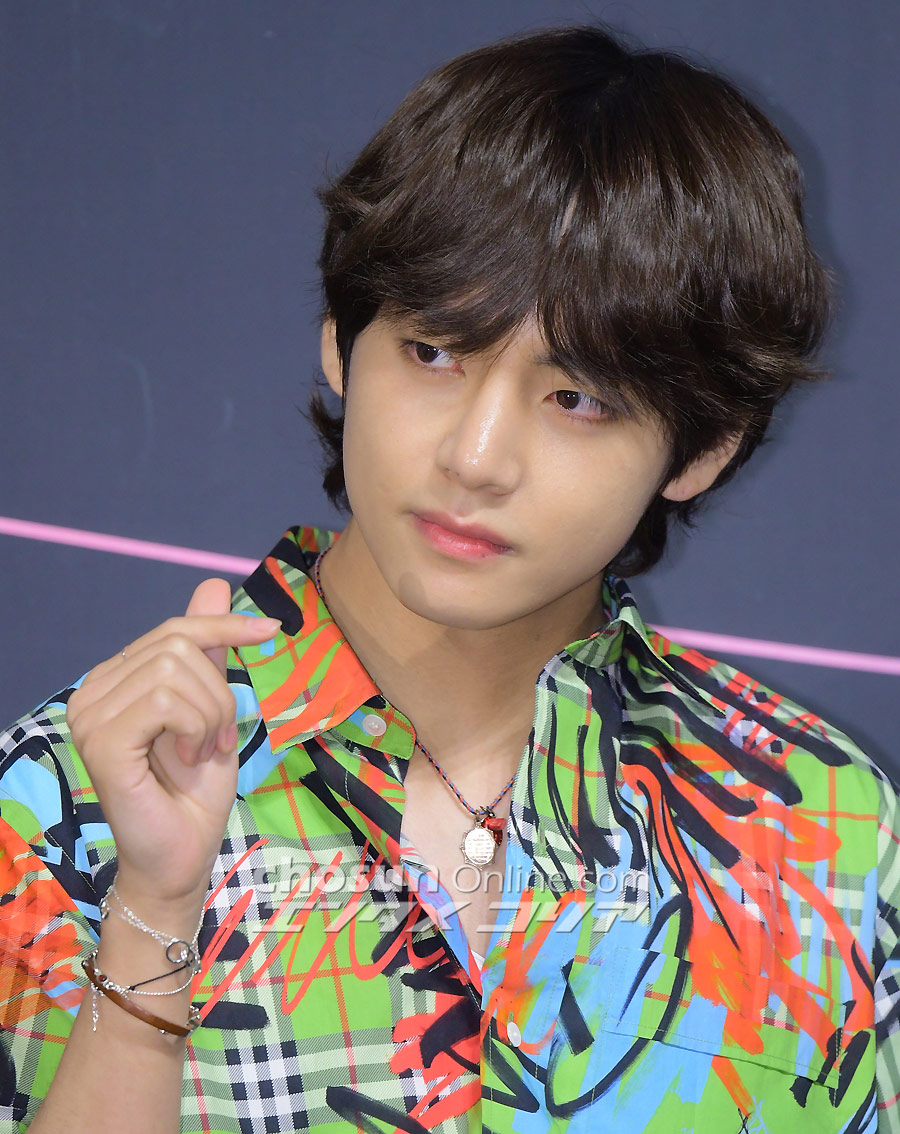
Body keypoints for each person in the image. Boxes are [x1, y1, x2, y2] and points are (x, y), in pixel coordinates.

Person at [1, 22, 898, 1134]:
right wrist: (153, 915)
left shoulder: (822, 825)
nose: (476, 458)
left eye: (577, 399)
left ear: (702, 450)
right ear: (340, 343)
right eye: (433, 352)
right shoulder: (61, 799)